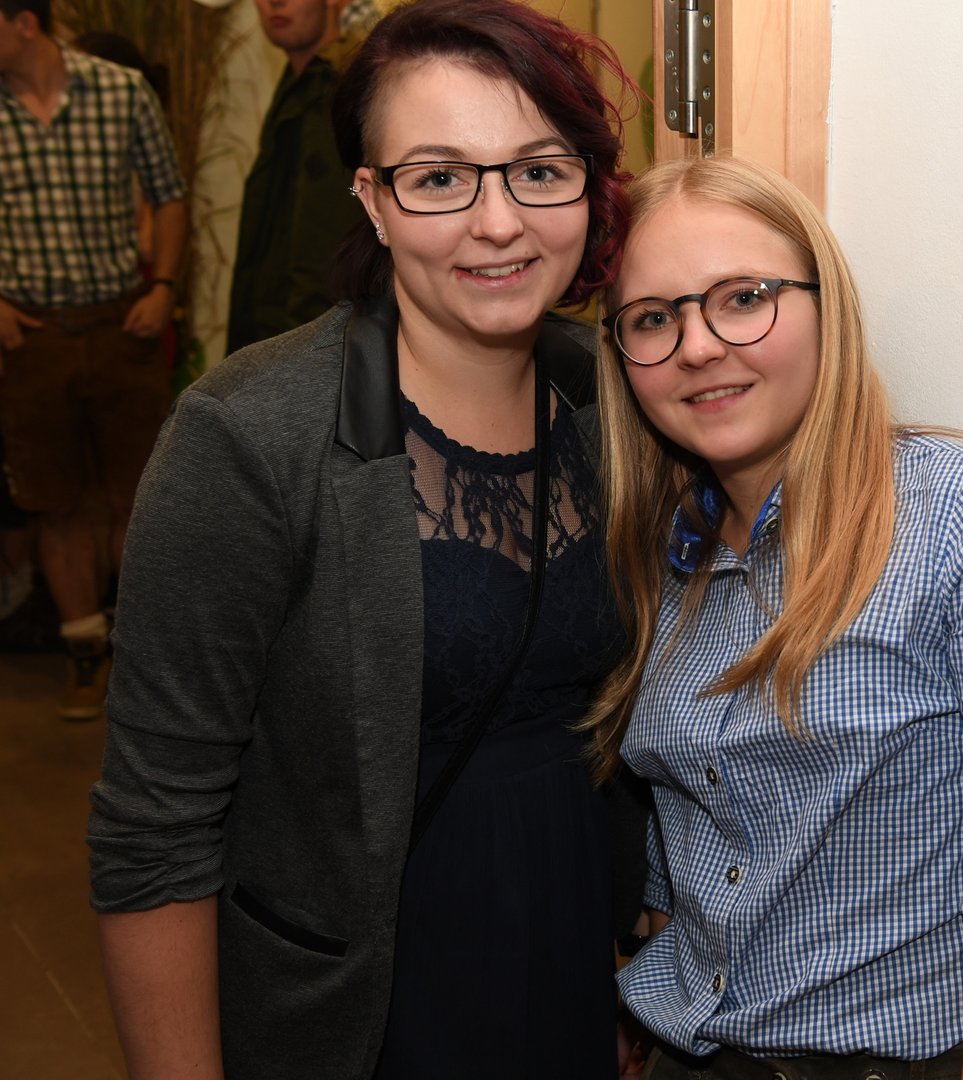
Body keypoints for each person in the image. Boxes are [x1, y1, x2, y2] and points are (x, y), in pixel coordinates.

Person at [87, 1, 634, 1077]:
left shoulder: (616, 400)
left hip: (572, 950)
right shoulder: (250, 436)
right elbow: (155, 824)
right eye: (439, 178)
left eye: (538, 170)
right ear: (373, 201)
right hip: (360, 1002)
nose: (498, 223)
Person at [588, 156, 963, 1079]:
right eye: (654, 319)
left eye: (744, 298)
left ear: (828, 307)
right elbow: (691, 824)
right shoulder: (663, 549)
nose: (698, 345)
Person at [0, 0, 186, 719]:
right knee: (55, 501)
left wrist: (163, 288)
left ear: (24, 21)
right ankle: (84, 653)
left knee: (142, 494)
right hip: (31, 335)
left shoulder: (120, 89)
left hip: (121, 324)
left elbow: (168, 195)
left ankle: (145, 657)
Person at [226, 0, 364, 355]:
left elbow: (323, 244)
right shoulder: (298, 81)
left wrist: (305, 357)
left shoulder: (341, 86)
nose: (275, 2)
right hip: (272, 335)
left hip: (309, 341)